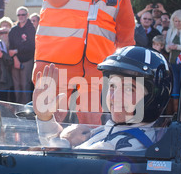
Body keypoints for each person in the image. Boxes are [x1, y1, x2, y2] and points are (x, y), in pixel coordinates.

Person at [34, 0, 135, 125]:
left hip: (96, 66)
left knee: (91, 128)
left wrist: (124, 71)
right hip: (54, 65)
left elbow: (126, 29)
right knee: (48, 123)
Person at [33, 46, 172, 150]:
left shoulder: (126, 146)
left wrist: (65, 139)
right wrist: (45, 118)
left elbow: (58, 167)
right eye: (112, 86)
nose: (114, 97)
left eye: (129, 89)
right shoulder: (113, 130)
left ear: (153, 98)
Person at [9, 6, 36, 104]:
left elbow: (32, 46)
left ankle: (26, 108)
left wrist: (17, 50)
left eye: (23, 14)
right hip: (15, 61)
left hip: (27, 60)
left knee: (25, 85)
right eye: (18, 15)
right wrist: (15, 57)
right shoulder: (13, 30)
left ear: (27, 15)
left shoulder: (31, 28)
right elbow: (11, 48)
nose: (21, 17)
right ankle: (17, 107)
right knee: (17, 86)